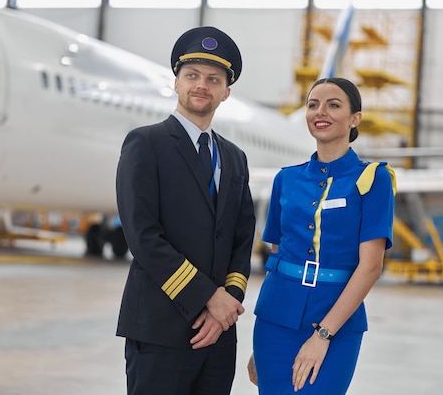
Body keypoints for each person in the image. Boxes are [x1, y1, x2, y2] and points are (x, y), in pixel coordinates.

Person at [115, 26, 256, 395]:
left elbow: (242, 240)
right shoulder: (146, 144)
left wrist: (229, 303)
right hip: (161, 328)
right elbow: (143, 237)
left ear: (226, 92)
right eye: (191, 75)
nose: (201, 85)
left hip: (219, 333)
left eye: (213, 79)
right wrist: (210, 299)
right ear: (176, 82)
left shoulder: (235, 158)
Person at [247, 77, 396, 394]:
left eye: (334, 104)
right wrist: (259, 346)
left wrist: (323, 335)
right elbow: (279, 250)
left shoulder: (374, 179)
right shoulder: (285, 179)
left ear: (355, 118)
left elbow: (370, 267)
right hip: (275, 320)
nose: (321, 111)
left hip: (336, 323)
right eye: (313, 104)